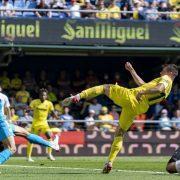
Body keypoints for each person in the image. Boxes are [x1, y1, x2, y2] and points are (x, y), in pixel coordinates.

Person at [62, 62, 178, 173]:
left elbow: (158, 88)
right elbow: (143, 85)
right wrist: (132, 71)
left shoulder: (166, 79)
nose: (161, 71)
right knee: (119, 132)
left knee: (105, 87)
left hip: (132, 97)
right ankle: (109, 162)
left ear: (170, 72)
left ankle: (78, 96)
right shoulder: (168, 86)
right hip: (140, 107)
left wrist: (141, 92)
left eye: (164, 69)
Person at [27, 88, 58, 162]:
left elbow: (52, 112)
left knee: (49, 136)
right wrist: (27, 110)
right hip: (35, 124)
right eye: (41, 95)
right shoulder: (34, 102)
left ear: (46, 96)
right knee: (31, 140)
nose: (42, 96)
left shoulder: (49, 103)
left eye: (44, 95)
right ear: (39, 95)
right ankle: (28, 157)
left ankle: (49, 154)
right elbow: (29, 108)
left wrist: (56, 117)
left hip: (44, 123)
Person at [0, 86, 16, 165]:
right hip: (1, 122)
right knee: (12, 148)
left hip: (3, 122)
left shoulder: (4, 97)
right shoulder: (3, 97)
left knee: (7, 147)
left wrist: (9, 119)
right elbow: (7, 109)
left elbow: (7, 109)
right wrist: (8, 121)